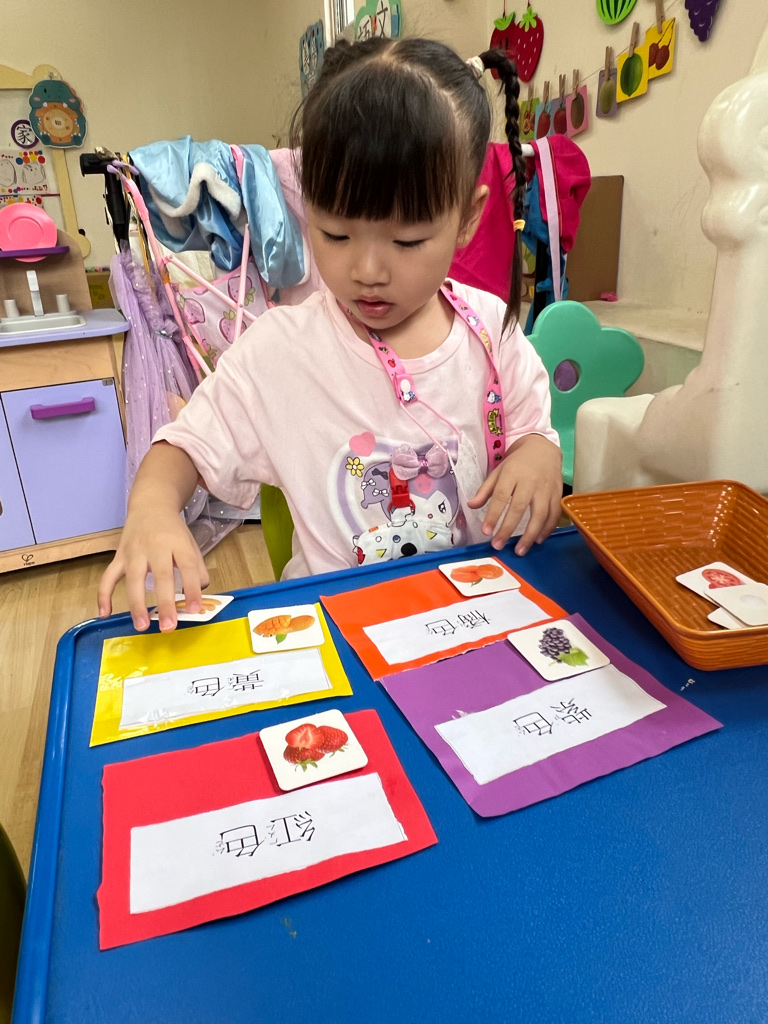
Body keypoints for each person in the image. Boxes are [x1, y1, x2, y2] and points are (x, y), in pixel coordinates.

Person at [98, 37, 562, 633]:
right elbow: (183, 447)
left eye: (407, 240)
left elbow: (532, 433)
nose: (367, 270)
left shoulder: (493, 331)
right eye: (336, 234)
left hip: (474, 619)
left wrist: (539, 455)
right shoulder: (281, 350)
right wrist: (151, 510)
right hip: (339, 633)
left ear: (468, 219)